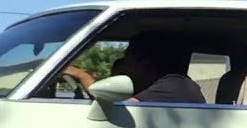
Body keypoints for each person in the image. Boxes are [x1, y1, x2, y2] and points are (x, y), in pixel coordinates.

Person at [63, 31, 205, 104]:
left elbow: (118, 109)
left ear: (145, 64)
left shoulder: (174, 85)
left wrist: (82, 76)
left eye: (127, 60)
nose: (124, 66)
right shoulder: (161, 87)